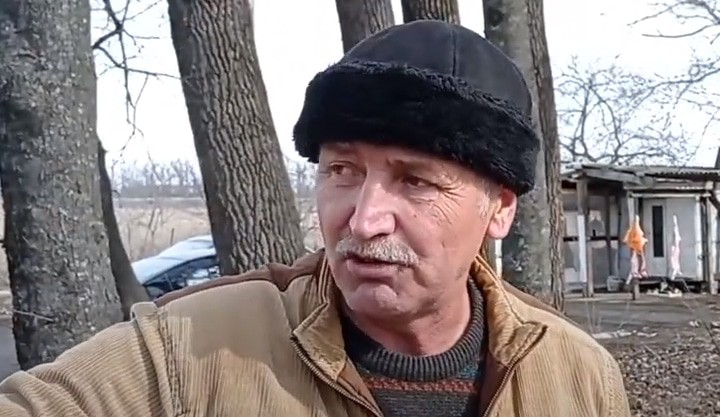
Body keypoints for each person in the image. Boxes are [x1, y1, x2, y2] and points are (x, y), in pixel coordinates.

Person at [0, 20, 630, 417]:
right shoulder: (187, 351)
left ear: (500, 209)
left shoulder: (574, 376)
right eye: (343, 171)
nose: (364, 219)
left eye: (415, 181)